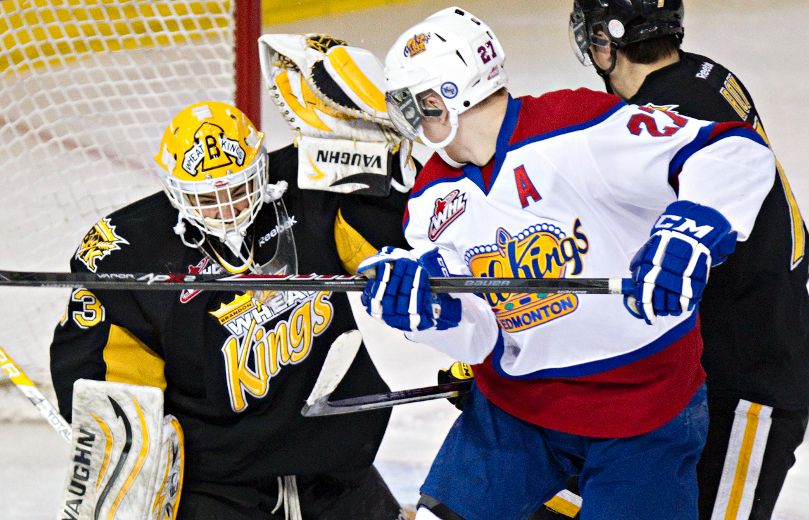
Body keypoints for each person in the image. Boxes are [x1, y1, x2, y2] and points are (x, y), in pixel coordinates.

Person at [358, 6, 777, 520]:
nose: (411, 119)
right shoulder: (429, 197)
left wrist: (689, 230)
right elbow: (480, 334)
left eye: (413, 103)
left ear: (443, 97)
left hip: (642, 414)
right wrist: (430, 315)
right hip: (516, 416)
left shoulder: (578, 127)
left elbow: (734, 151)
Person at [49, 34, 414, 520]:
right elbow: (106, 388)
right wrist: (115, 451)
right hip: (217, 483)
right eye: (206, 198)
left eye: (240, 190)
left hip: (332, 462)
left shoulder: (308, 190)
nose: (228, 209)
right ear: (173, 192)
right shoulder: (127, 254)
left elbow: (396, 244)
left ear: (261, 167)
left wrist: (386, 167)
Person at [535, 2, 809, 519]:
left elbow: (613, 265)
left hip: (750, 382)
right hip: (707, 366)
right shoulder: (705, 74)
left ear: (606, 41)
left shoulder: (654, 126)